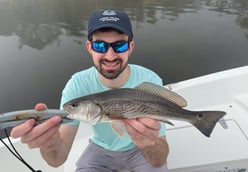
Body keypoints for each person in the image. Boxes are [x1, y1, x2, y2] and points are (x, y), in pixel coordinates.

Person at [11, 9, 169, 172]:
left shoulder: (150, 81)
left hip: (139, 150)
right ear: (89, 47)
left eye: (119, 45)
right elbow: (57, 160)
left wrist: (150, 143)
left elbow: (159, 160)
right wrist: (50, 144)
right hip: (101, 150)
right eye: (100, 46)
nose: (110, 56)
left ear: (130, 47)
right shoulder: (77, 85)